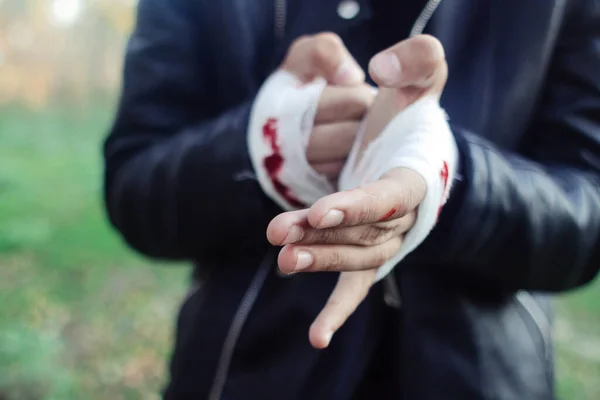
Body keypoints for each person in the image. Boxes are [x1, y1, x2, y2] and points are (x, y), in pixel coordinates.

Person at [103, 0, 600, 399]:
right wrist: (265, 144)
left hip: (486, 376)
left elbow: (586, 217)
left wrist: (445, 172)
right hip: (238, 372)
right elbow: (133, 190)